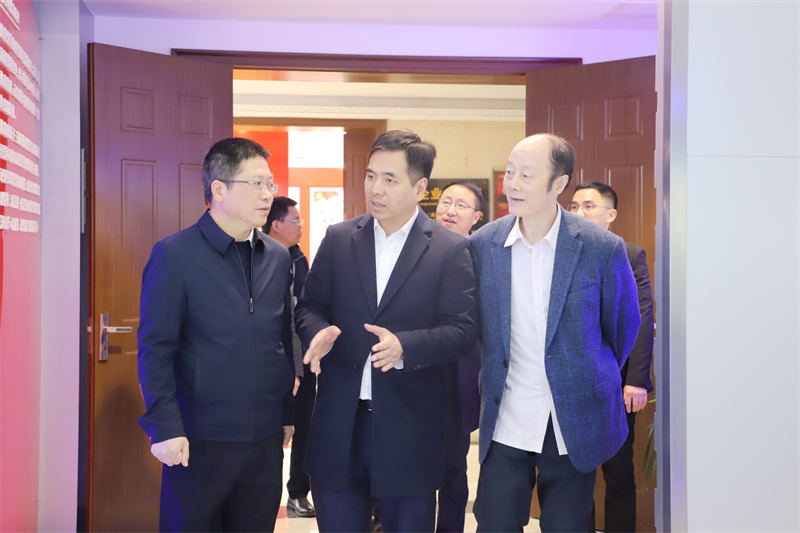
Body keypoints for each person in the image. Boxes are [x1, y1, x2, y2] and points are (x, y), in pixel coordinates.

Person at [295, 129, 478, 532]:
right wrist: (316, 331)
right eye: (370, 176)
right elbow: (310, 306)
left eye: (390, 179)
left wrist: (406, 347)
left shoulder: (449, 249)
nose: (375, 189)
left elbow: (463, 330)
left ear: (420, 188)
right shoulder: (339, 238)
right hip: (340, 424)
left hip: (409, 430)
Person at [469, 133, 641, 532]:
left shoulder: (601, 247)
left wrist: (585, 371)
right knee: (495, 523)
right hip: (507, 413)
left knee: (567, 525)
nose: (512, 184)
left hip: (573, 417)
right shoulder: (483, 244)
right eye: (510, 172)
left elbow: (622, 326)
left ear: (559, 183)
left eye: (526, 175)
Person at [137, 137, 295, 532]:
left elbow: (281, 338)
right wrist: (164, 427)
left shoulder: (277, 256)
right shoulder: (175, 255)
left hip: (264, 440)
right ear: (219, 190)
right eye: (256, 184)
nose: (267, 194)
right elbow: (156, 349)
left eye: (270, 184)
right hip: (198, 439)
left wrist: (286, 414)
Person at [570, 181, 654, 532]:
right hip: (571, 382)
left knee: (618, 470)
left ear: (611, 214)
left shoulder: (628, 254)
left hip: (616, 383)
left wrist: (636, 380)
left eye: (589, 206)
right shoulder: (561, 254)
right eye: (574, 206)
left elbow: (642, 317)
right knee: (575, 473)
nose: (579, 212)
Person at [433, 181, 483, 532]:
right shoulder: (415, 249)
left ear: (476, 217)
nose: (450, 210)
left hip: (459, 377)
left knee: (453, 471)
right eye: (445, 202)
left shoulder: (482, 257)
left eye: (461, 205)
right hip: (412, 373)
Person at [265, 196, 316, 519]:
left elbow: (301, 316)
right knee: (274, 430)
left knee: (303, 427)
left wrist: (301, 365)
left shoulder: (298, 260)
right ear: (276, 225)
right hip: (273, 362)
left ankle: (298, 493)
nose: (300, 227)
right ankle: (264, 496)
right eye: (295, 221)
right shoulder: (260, 258)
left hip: (301, 359)